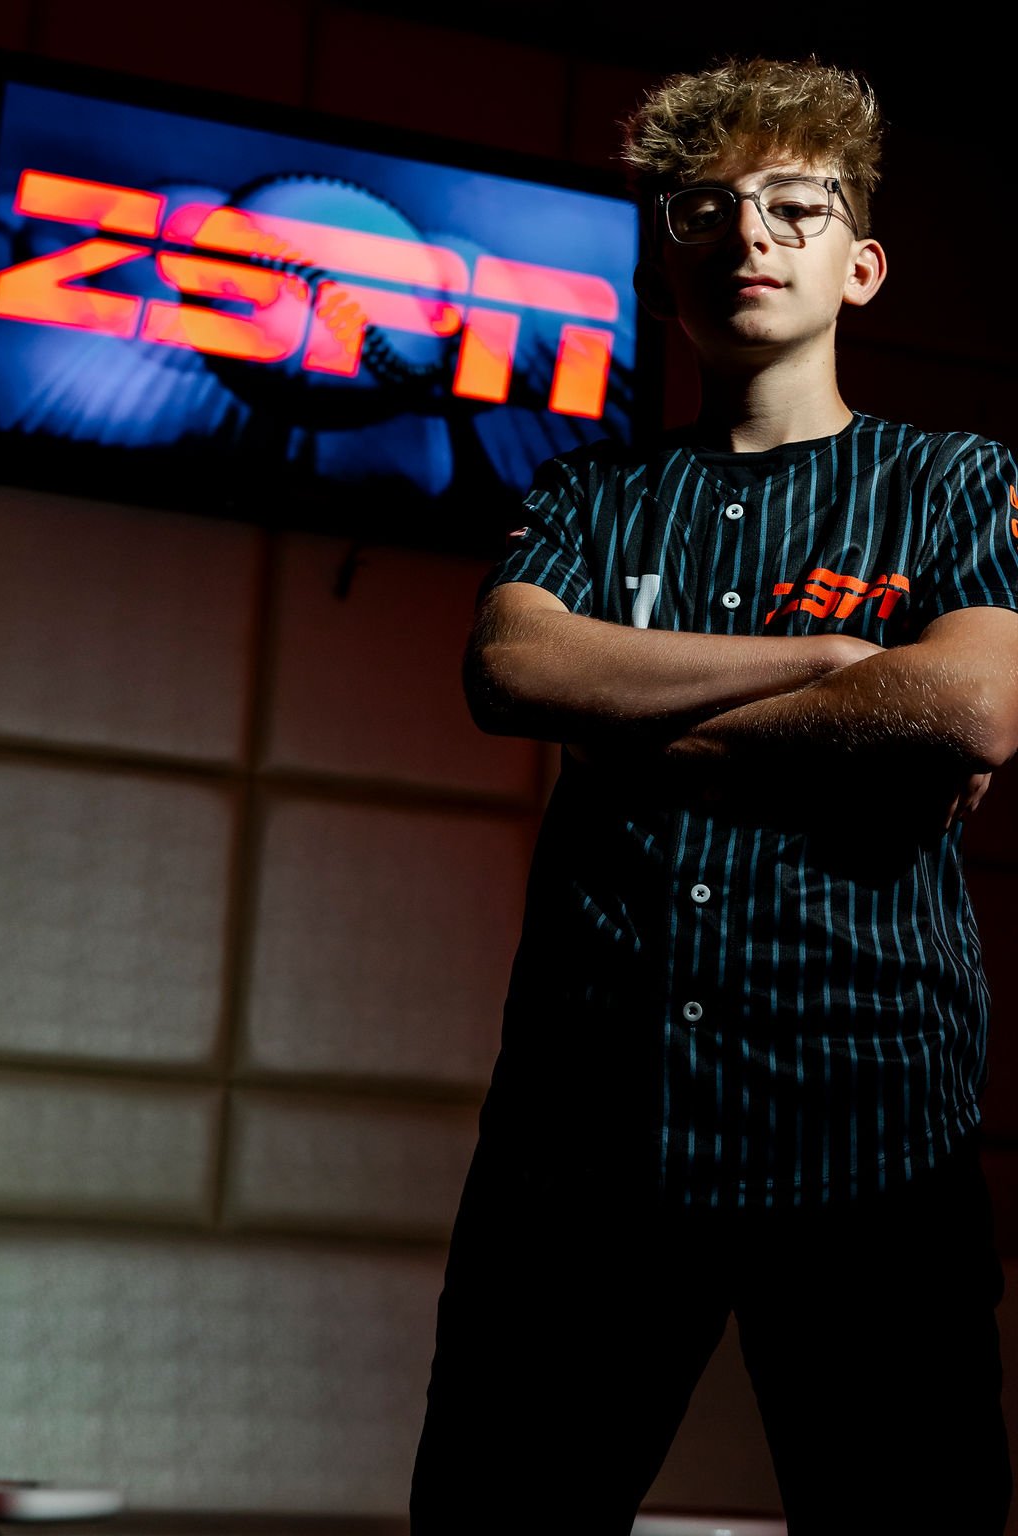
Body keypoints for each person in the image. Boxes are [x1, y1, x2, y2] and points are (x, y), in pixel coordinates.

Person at [409, 54, 1018, 1536]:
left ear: (859, 264)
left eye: (792, 208)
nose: (748, 237)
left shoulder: (953, 482)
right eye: (704, 211)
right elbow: (514, 669)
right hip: (582, 1143)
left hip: (875, 1128)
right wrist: (827, 662)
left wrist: (638, 708)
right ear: (667, 257)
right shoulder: (584, 495)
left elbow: (972, 703)